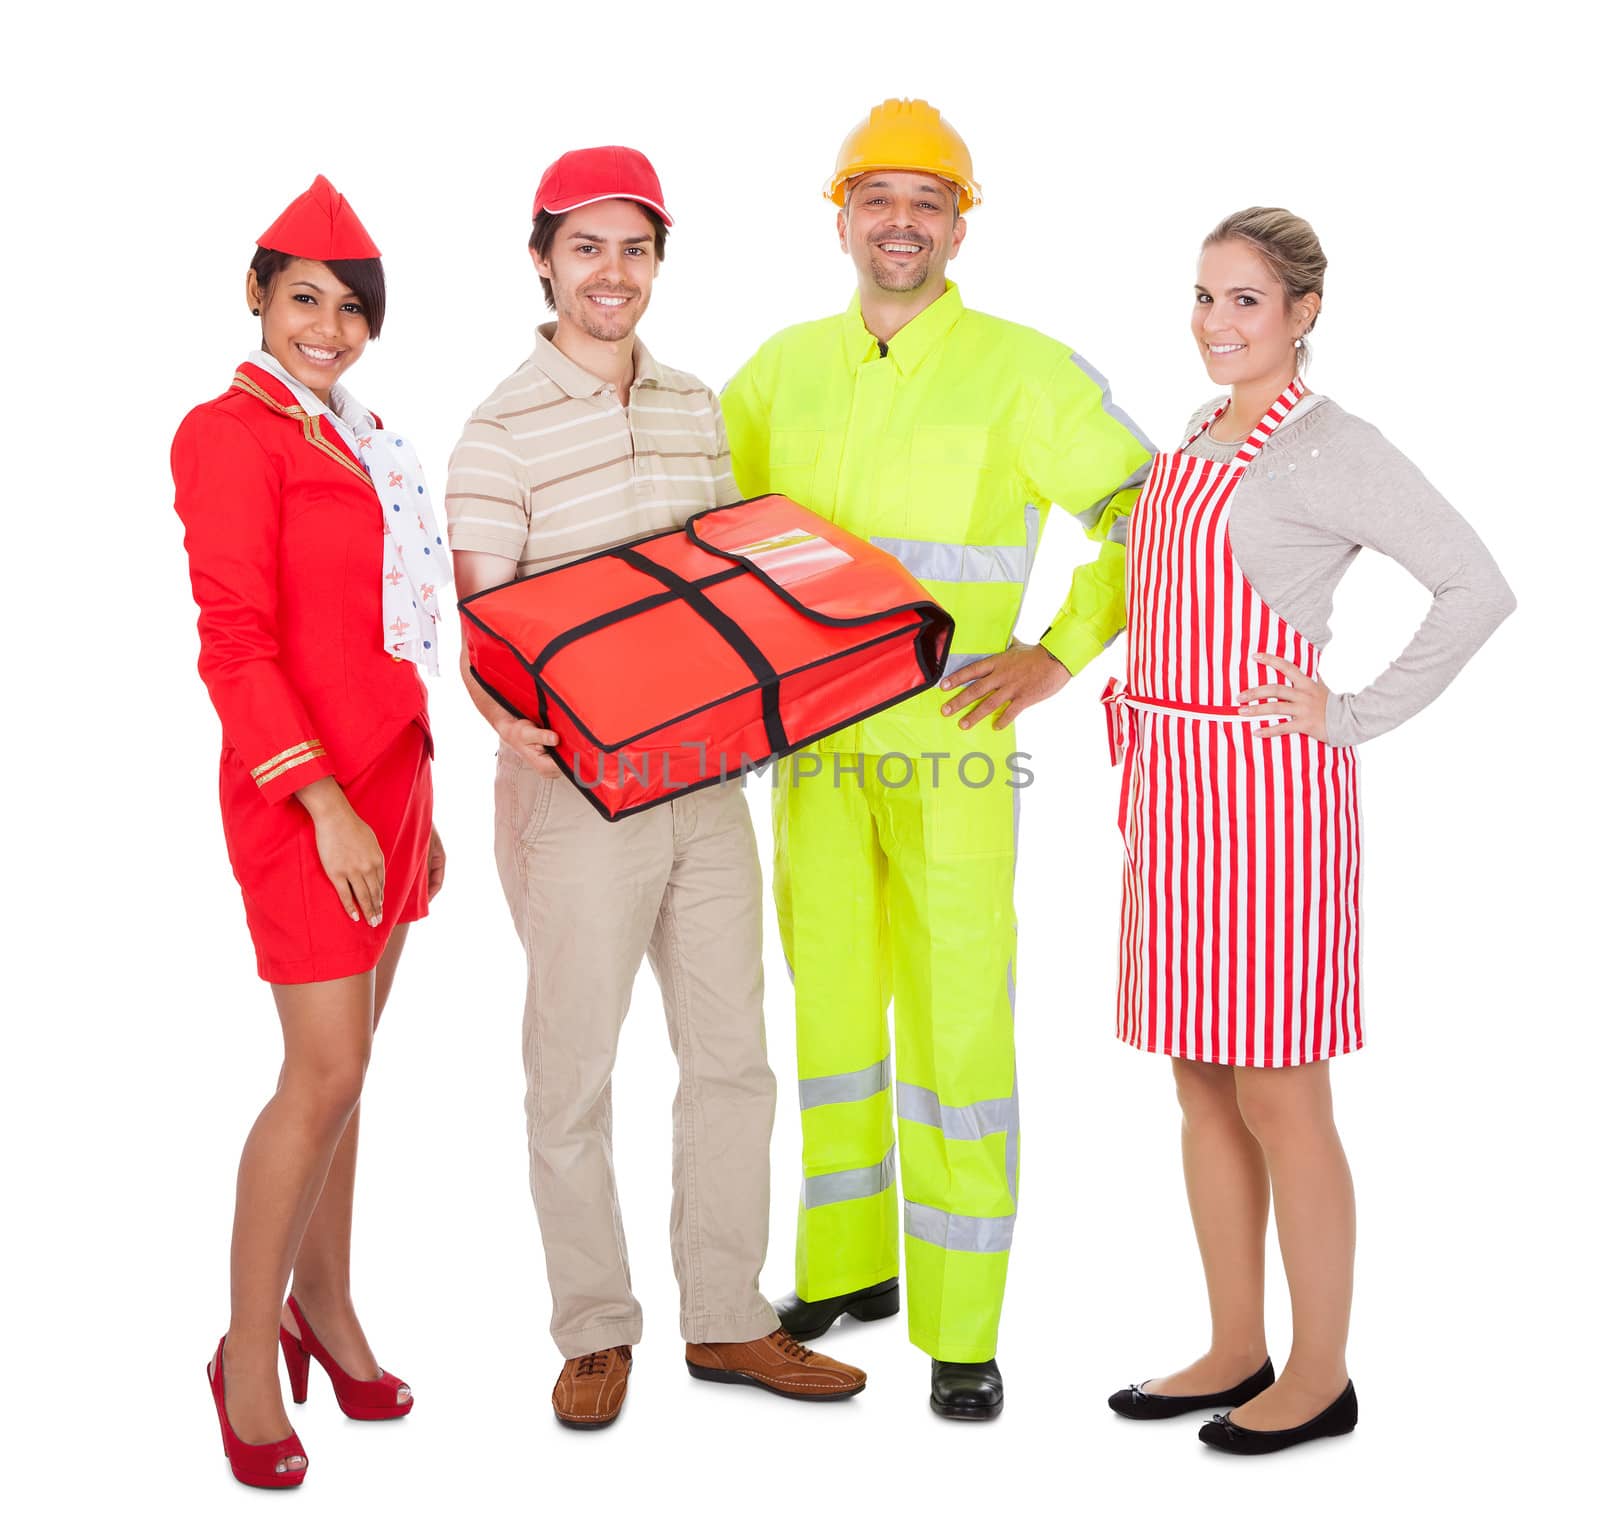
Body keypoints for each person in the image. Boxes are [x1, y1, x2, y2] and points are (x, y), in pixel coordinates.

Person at [721, 98, 1154, 1420]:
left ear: (962, 223)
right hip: (809, 755)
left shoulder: (1024, 369)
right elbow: (703, 539)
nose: (902, 223)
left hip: (955, 750)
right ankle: (847, 1267)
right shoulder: (780, 370)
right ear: (841, 214)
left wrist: (1059, 651)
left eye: (930, 202)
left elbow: (1151, 512)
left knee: (958, 1027)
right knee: (834, 1017)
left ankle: (963, 1324)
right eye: (879, 199)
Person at [445, 145, 865, 1431]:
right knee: (571, 1073)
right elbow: (479, 627)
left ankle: (728, 1318)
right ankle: (593, 1329)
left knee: (733, 1060)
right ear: (542, 261)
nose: (609, 272)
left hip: (704, 779)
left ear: (656, 264)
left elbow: (734, 577)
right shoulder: (497, 428)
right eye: (586, 248)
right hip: (574, 795)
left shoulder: (694, 405)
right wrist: (509, 722)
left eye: (633, 249)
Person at [1100, 207, 1514, 1454]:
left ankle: (1321, 1374)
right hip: (1172, 793)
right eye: (1205, 297)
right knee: (1199, 1086)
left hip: (1269, 806)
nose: (1217, 324)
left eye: (1245, 302)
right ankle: (1235, 1344)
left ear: (1303, 315)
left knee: (1284, 1094)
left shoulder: (1332, 448)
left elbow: (1476, 585)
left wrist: (1353, 713)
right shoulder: (1191, 436)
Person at [171, 176, 447, 1489]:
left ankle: (324, 1313)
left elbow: (388, 628)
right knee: (322, 1072)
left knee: (353, 1070)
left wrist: (415, 800)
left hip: (390, 780)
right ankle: (242, 1352)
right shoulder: (231, 434)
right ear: (257, 297)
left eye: (350, 308)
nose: (329, 327)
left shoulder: (360, 432)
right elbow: (236, 642)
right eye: (304, 301)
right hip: (305, 795)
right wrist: (325, 798)